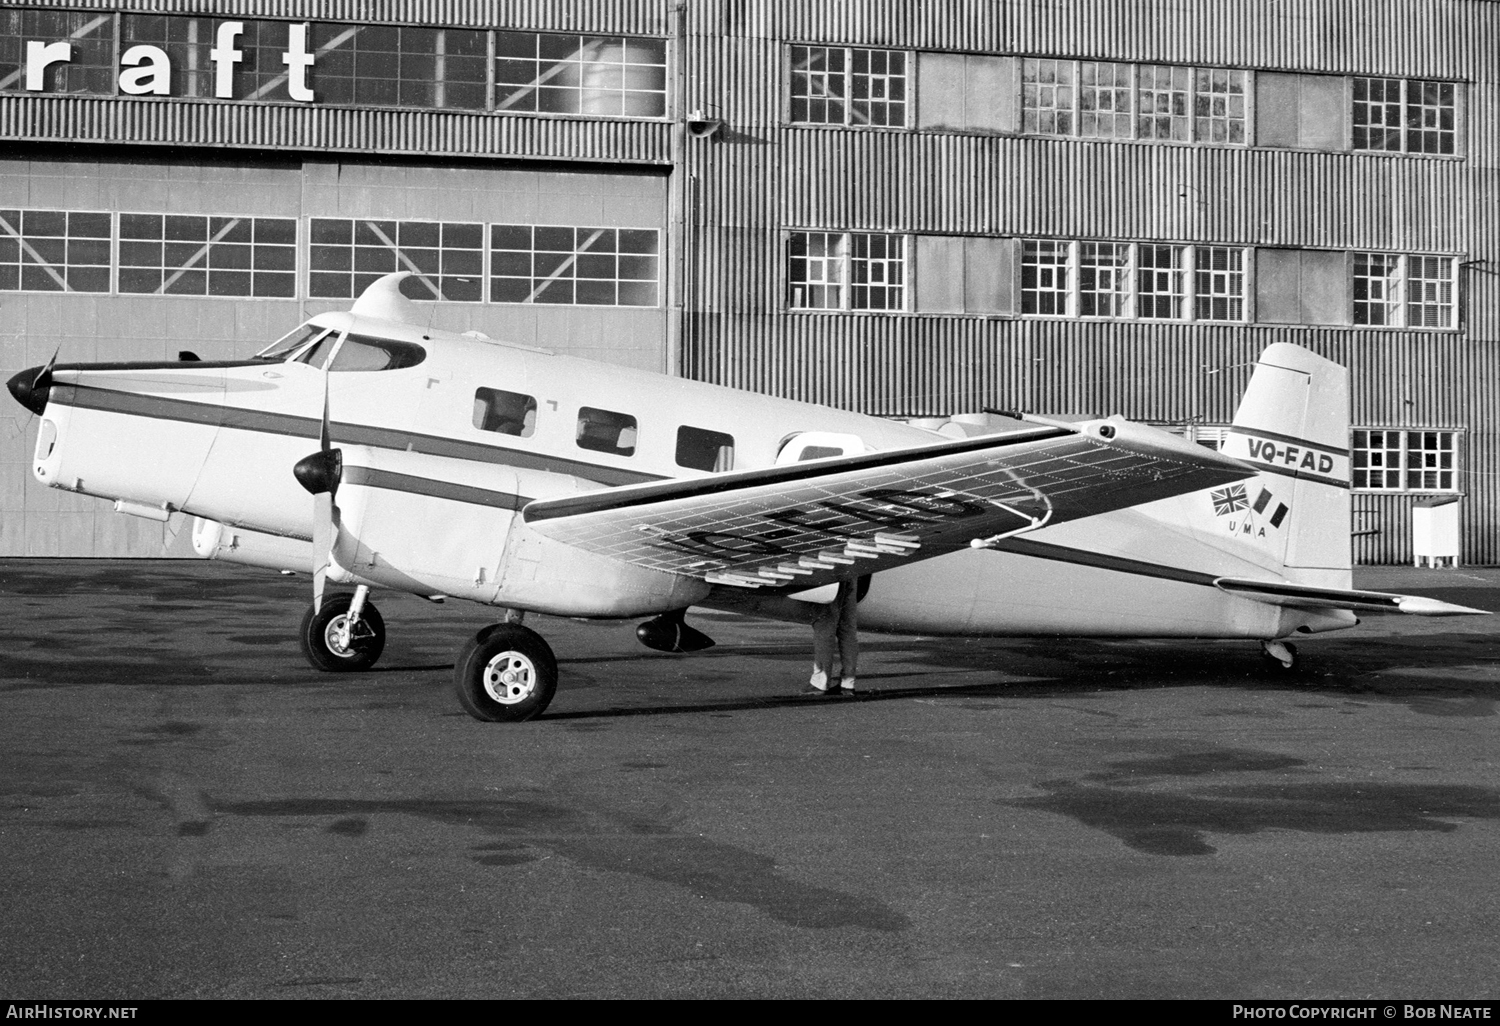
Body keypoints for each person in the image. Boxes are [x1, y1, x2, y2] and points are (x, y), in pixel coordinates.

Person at [808, 578, 858, 696]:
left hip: (832, 573)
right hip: (851, 573)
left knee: (825, 627)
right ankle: (848, 683)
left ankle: (820, 682)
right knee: (847, 631)